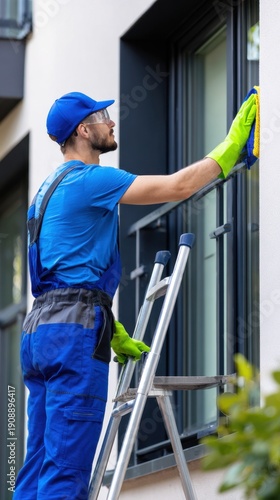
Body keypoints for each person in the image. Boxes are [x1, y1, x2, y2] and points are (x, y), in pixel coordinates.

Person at [14, 90, 256, 499]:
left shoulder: (43, 194)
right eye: (102, 116)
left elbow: (59, 275)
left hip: (39, 333)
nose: (111, 122)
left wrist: (110, 326)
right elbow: (178, 186)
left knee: (37, 466)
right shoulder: (91, 179)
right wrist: (230, 148)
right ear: (83, 130)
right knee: (65, 474)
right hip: (73, 335)